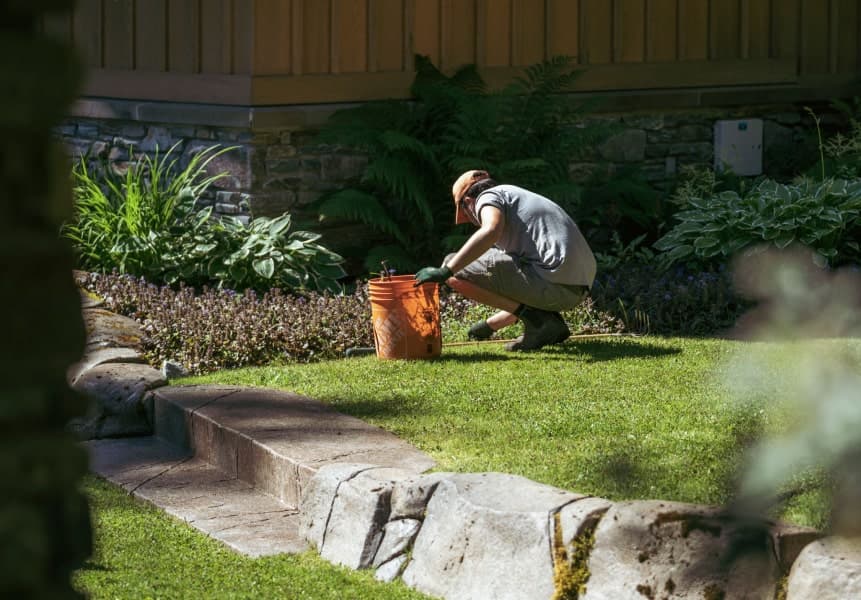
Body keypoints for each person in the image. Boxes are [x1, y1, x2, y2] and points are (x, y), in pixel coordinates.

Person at [414, 170, 596, 351]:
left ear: (467, 202)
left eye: (466, 215)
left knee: (453, 266)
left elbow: (491, 230)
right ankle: (545, 325)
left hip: (552, 284)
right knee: (484, 262)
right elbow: (522, 287)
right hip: (573, 292)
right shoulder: (516, 199)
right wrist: (490, 325)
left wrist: (447, 270)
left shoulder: (488, 197)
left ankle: (540, 324)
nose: (473, 221)